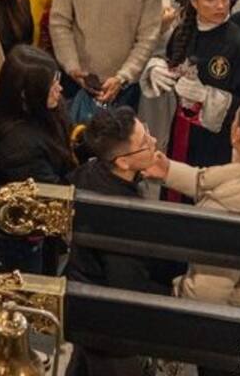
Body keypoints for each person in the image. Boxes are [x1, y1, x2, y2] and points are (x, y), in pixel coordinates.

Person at [146, 96, 240, 311]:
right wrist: (169, 171)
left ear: (237, 134)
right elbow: (227, 179)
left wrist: (178, 291)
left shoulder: (224, 210)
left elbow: (206, 295)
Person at [64, 108, 171, 376]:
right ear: (122, 162)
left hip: (82, 299)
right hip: (109, 323)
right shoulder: (124, 215)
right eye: (145, 142)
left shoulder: (91, 171)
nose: (154, 142)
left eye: (146, 130)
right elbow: (126, 281)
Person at [143, 0, 240, 171]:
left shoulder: (239, 44)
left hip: (216, 141)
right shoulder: (183, 32)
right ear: (194, 1)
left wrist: (207, 97)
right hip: (178, 129)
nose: (221, 5)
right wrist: (156, 69)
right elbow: (170, 64)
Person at [0, 45, 74, 273]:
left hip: (44, 232)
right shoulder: (17, 145)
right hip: (25, 235)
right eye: (51, 86)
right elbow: (50, 193)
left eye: (57, 80)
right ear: (26, 94)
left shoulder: (45, 111)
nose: (59, 89)